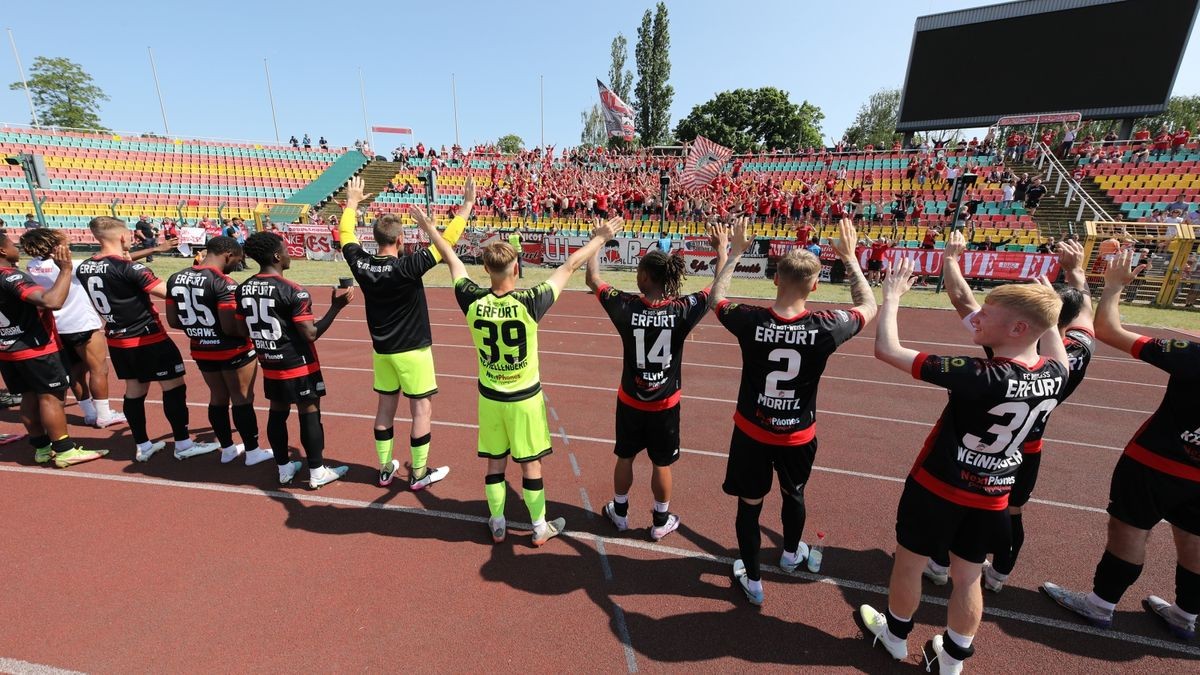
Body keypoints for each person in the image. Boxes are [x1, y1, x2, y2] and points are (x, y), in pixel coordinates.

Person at [862, 257, 1068, 674]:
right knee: (968, 577)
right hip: (993, 495)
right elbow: (1052, 343)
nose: (976, 319)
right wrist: (1051, 306)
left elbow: (886, 350)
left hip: (938, 487)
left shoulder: (982, 373)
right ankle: (953, 661)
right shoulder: (1057, 374)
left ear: (1018, 329)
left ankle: (896, 638)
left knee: (910, 563)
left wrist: (891, 298)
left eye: (987, 316)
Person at [423, 206, 624, 547]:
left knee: (495, 463)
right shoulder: (530, 301)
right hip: (525, 399)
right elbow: (570, 265)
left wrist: (429, 227)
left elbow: (450, 259)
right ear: (516, 267)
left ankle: (498, 522)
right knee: (531, 466)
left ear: (486, 269)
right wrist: (600, 238)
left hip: (490, 398)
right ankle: (538, 526)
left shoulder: (471, 299)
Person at [710, 217, 876, 606]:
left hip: (752, 431)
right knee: (794, 492)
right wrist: (850, 258)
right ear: (815, 285)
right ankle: (789, 555)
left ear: (774, 279)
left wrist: (733, 253)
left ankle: (752, 582)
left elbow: (716, 297)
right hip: (798, 434)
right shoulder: (825, 326)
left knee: (749, 508)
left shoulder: (751, 320)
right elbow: (868, 304)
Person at [922, 233, 1096, 592]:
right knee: (1010, 511)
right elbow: (1085, 315)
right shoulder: (1075, 354)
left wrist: (952, 260)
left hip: (975, 445)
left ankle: (939, 563)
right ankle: (1000, 573)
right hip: (1026, 446)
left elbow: (961, 299)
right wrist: (1076, 273)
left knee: (955, 501)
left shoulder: (1011, 347)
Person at [1042, 248, 1200, 641]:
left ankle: (1100, 605)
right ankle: (1185, 614)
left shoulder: (1193, 356)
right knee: (1195, 536)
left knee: (1130, 530)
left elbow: (1109, 331)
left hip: (1156, 461)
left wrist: (1112, 288)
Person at [585, 223, 727, 541]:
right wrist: (721, 249)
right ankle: (661, 520)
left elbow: (592, 278)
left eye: (639, 271)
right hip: (665, 404)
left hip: (631, 400)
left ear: (646, 277)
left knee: (625, 455)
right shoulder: (682, 310)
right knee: (662, 463)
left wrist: (598, 240)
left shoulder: (627, 306)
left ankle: (619, 513)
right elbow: (717, 288)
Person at [340, 174, 471, 489]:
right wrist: (466, 207)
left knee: (386, 407)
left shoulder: (362, 265)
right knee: (421, 410)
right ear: (400, 240)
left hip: (382, 352)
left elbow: (346, 236)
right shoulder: (407, 266)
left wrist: (353, 202)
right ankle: (420, 472)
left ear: (374, 239)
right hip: (413, 350)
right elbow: (446, 244)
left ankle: (385, 469)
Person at [75, 217, 219, 462]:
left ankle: (142, 444)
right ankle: (183, 445)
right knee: (173, 387)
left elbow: (117, 268)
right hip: (147, 337)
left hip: (118, 339)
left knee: (134, 390)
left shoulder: (85, 266)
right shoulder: (130, 268)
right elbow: (168, 292)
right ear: (122, 237)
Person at [237, 232, 353, 488]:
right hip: (297, 364)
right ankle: (317, 470)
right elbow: (310, 334)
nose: (290, 253)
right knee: (309, 412)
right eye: (286, 249)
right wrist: (336, 307)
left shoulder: (243, 287)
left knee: (277, 413)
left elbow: (241, 329)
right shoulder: (294, 291)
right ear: (277, 256)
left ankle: (283, 468)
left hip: (269, 362)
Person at [0, 232, 106, 468]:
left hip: (8, 349)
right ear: (2, 251)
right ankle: (65, 450)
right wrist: (66, 269)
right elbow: (52, 301)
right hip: (35, 348)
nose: (16, 246)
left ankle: (41, 448)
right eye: (11, 244)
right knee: (51, 398)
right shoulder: (11, 276)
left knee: (28, 397)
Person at [165, 236, 273, 467]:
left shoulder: (176, 278)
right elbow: (230, 327)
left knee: (217, 398)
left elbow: (174, 321)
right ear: (227, 255)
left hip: (201, 348)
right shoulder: (224, 282)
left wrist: (202, 331)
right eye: (238, 260)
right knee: (242, 398)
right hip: (232, 350)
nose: (238, 265)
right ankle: (253, 452)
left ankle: (227, 448)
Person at [20, 228, 126, 429]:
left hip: (57, 327)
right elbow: (105, 264)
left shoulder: (32, 266)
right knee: (98, 369)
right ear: (54, 244)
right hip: (81, 323)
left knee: (76, 371)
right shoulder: (72, 266)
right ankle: (103, 414)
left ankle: (88, 413)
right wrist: (157, 249)